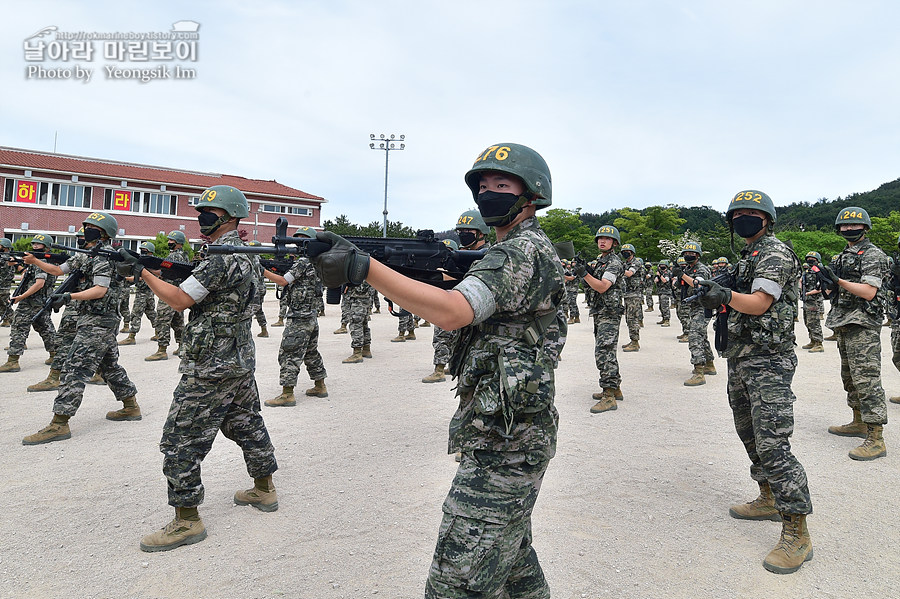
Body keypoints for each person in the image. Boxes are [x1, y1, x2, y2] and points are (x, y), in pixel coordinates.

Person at [310, 142, 564, 597]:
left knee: (457, 579)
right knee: (512, 558)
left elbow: (452, 313)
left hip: (507, 442)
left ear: (532, 194)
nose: (489, 194)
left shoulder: (522, 252)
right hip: (503, 429)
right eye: (483, 187)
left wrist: (365, 268)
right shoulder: (507, 250)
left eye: (502, 185)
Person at [134, 185, 279, 552]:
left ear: (228, 216)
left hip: (210, 364)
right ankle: (264, 490)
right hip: (238, 358)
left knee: (180, 438)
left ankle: (187, 521)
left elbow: (180, 299)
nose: (201, 218)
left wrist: (142, 273)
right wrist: (161, 269)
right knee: (245, 421)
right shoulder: (244, 254)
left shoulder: (221, 258)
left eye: (208, 212)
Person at [696, 190, 812, 574]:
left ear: (767, 219)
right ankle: (767, 497)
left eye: (752, 213)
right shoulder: (749, 256)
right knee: (748, 433)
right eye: (738, 214)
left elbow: (761, 302)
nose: (744, 218)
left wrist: (725, 293)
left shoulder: (775, 253)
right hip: (742, 357)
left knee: (773, 442)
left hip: (770, 361)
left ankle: (797, 530)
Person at [22, 213, 140, 445]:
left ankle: (59, 423)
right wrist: (35, 261)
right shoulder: (87, 255)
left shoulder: (105, 257)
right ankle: (131, 406)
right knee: (109, 367)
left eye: (90, 227)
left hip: (100, 321)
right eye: (85, 226)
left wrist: (68, 296)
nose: (85, 230)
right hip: (91, 319)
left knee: (74, 367)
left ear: (103, 233)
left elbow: (100, 290)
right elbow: (58, 271)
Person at [819, 207, 889, 460]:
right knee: (849, 377)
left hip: (863, 324)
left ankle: (876, 437)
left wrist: (838, 281)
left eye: (854, 225)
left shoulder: (873, 255)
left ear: (865, 227)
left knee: (867, 380)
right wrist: (827, 284)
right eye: (844, 226)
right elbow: (836, 292)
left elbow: (869, 291)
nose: (849, 229)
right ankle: (858, 421)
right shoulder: (841, 256)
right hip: (844, 321)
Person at [262, 226, 328, 406]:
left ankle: (287, 393)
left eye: (302, 241)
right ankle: (320, 385)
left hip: (299, 317)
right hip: (311, 316)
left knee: (289, 353)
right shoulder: (319, 261)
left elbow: (283, 281)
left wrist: (261, 270)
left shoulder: (303, 262)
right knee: (310, 352)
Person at [579, 225, 624, 413]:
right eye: (599, 238)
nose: (602, 241)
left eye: (607, 238)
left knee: (603, 350)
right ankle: (615, 387)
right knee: (608, 350)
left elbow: (603, 286)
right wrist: (585, 270)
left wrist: (585, 273)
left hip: (609, 312)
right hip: (600, 311)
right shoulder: (601, 261)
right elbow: (590, 284)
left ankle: (608, 396)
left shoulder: (614, 262)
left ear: (614, 243)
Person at [0, 233, 58, 373]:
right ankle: (55, 355)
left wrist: (21, 297)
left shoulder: (41, 263)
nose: (35, 246)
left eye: (39, 244)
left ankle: (13, 361)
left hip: (32, 301)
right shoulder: (39, 261)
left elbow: (39, 284)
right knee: (45, 329)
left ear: (47, 248)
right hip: (39, 301)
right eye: (34, 244)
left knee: (19, 328)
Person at [422, 238, 464, 384]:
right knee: (450, 339)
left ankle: (439, 370)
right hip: (448, 304)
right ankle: (451, 365)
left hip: (449, 305)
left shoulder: (457, 269)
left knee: (442, 338)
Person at [675, 242, 716, 386]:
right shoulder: (688, 268)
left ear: (698, 255)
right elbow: (683, 284)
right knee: (701, 335)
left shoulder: (702, 269)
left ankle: (699, 372)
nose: (688, 256)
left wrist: (682, 275)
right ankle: (709, 364)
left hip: (704, 307)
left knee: (694, 335)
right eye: (686, 253)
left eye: (691, 254)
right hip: (695, 306)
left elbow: (697, 283)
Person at [147, 231, 189, 360]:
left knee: (162, 320)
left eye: (172, 241)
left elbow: (164, 272)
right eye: (169, 240)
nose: (169, 242)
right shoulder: (184, 256)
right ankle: (182, 346)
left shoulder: (173, 257)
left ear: (179, 243)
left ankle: (162, 350)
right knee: (177, 321)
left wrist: (148, 270)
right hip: (178, 292)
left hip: (169, 293)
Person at [118, 241, 159, 346]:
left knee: (136, 313)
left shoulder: (151, 264)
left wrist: (126, 278)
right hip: (149, 293)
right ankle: (159, 332)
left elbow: (141, 278)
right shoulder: (147, 263)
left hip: (143, 293)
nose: (142, 253)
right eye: (141, 251)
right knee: (151, 313)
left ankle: (131, 337)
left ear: (151, 252)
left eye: (145, 251)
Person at [619, 243, 644, 352]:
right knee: (628, 318)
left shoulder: (636, 263)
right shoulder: (625, 263)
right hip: (627, 294)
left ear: (632, 253)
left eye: (627, 251)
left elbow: (629, 274)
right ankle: (633, 340)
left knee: (632, 318)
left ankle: (635, 342)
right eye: (623, 251)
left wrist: (617, 270)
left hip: (634, 294)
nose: (625, 253)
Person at [800, 251, 825, 353]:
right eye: (808, 259)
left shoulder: (819, 271)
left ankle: (819, 343)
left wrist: (808, 293)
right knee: (808, 322)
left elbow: (821, 288)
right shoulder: (807, 271)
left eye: (813, 259)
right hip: (807, 300)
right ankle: (812, 340)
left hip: (814, 300)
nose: (810, 261)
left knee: (814, 322)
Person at [247, 241, 270, 338]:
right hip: (261, 287)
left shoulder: (251, 258)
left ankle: (260, 330)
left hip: (254, 287)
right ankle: (264, 329)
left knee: (250, 309)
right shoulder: (260, 259)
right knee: (258, 308)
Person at [0, 238, 16, 326]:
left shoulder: (5, 257)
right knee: (2, 304)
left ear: (5, 247)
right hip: (3, 285)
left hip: (3, 285)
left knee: (5, 304)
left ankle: (14, 321)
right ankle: (6, 320)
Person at [654, 259, 672, 326]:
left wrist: (660, 275)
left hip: (666, 292)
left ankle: (667, 320)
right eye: (661, 265)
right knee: (661, 306)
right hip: (660, 291)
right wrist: (657, 276)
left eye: (663, 265)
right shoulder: (659, 273)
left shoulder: (667, 273)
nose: (662, 266)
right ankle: (664, 319)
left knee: (665, 306)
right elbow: (655, 281)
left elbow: (665, 280)